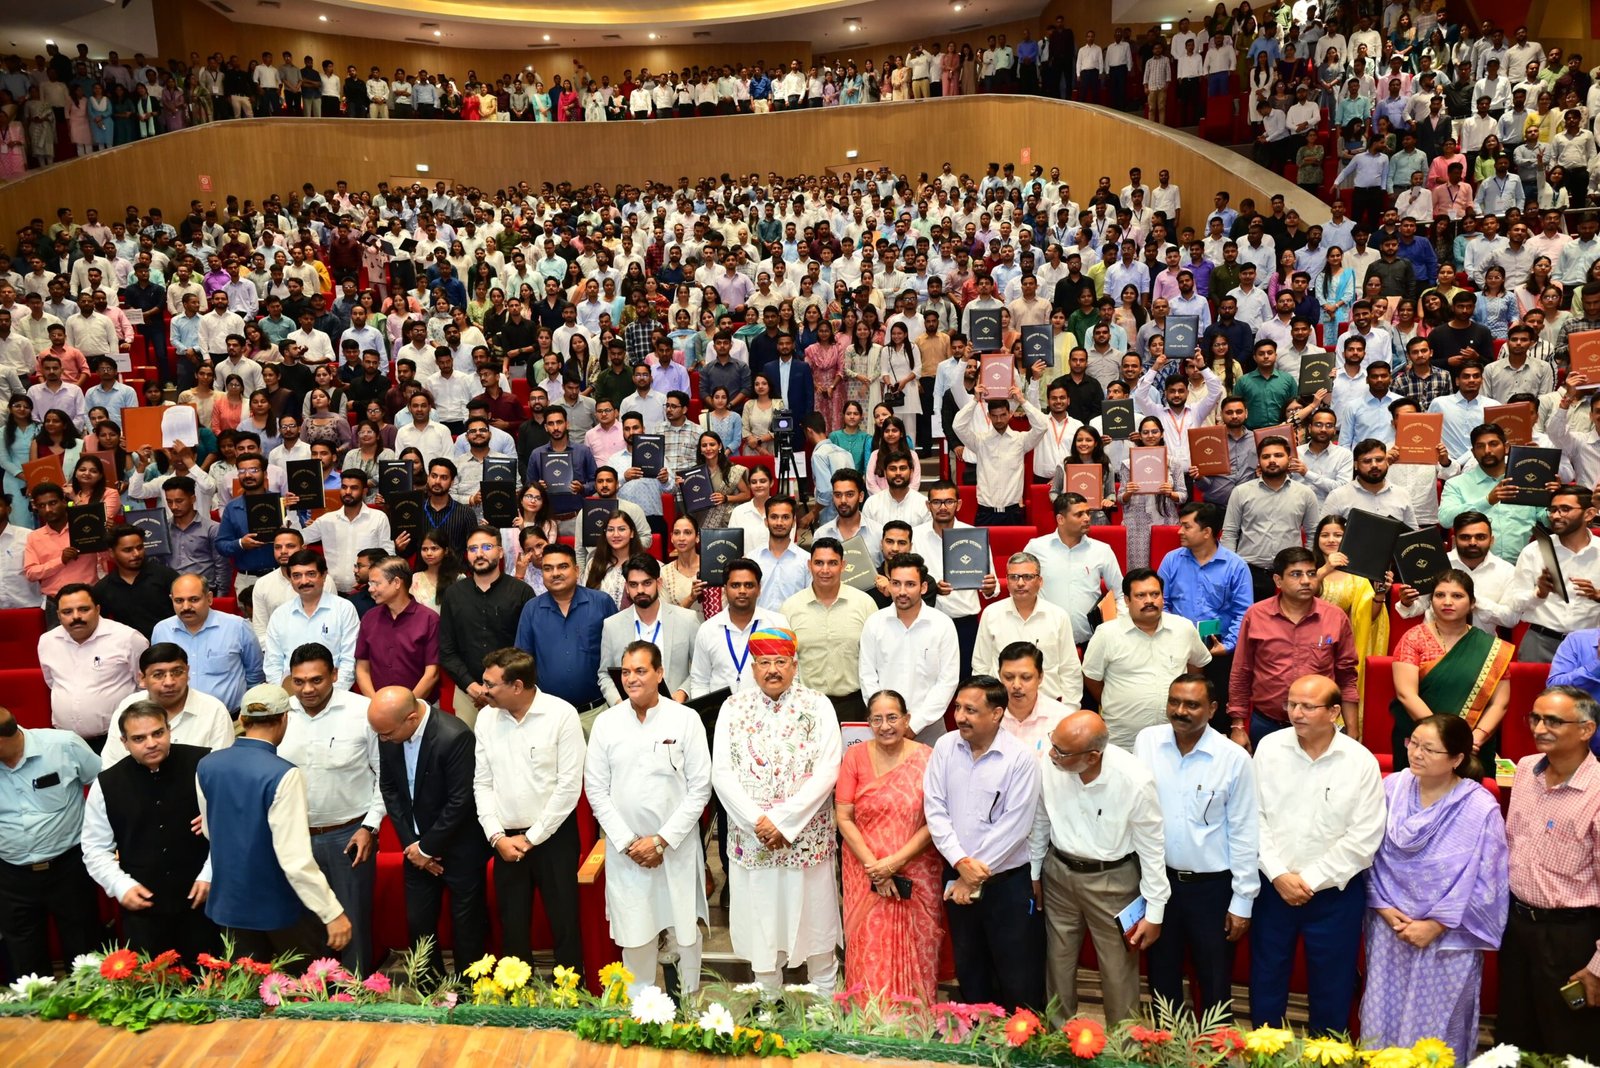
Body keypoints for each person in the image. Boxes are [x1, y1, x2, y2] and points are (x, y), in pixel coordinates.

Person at [1360, 714, 1509, 1063]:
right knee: (1383, 1018)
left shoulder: (1478, 807)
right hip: (1391, 928)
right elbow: (1367, 853)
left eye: (1429, 748)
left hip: (1449, 937)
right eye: (1413, 743)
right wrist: (1382, 906)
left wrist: (1436, 924)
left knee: (1437, 1033)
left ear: (1457, 758)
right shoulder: (1391, 788)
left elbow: (1488, 880)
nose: (1416, 753)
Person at [711, 627, 843, 994]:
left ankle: (825, 999)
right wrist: (759, 823)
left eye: (781, 662)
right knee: (762, 924)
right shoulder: (733, 708)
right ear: (753, 668)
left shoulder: (818, 705)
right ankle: (768, 1000)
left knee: (815, 921)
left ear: (794, 665)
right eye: (765, 662)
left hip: (806, 840)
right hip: (755, 840)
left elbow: (829, 769)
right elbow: (721, 773)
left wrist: (784, 822)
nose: (773, 670)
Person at [1251, 673, 1385, 1036]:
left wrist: (1309, 880)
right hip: (1273, 888)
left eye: (1308, 706)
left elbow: (1364, 837)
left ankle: (1326, 1055)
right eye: (1291, 704)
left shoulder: (1360, 761)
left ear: (1334, 712)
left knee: (1333, 986)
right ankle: (1265, 1054)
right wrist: (1278, 874)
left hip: (1334, 895)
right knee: (1266, 979)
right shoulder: (1269, 749)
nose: (1296, 713)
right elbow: (1252, 817)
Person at [586, 640, 713, 996]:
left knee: (684, 934)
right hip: (628, 854)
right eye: (626, 672)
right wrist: (631, 844)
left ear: (660, 673)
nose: (631, 679)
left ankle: (687, 1007)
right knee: (635, 936)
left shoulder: (685, 719)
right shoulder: (607, 723)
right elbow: (595, 789)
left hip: (675, 848)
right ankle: (640, 1011)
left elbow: (700, 788)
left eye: (641, 671)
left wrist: (661, 841)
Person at [1030, 708, 1167, 1025]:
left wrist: (1155, 910)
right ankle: (1058, 1040)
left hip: (1113, 880)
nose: (1051, 754)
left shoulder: (1134, 780)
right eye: (1053, 744)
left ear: (1092, 756)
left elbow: (1152, 847)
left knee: (1118, 971)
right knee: (1058, 962)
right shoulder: (1051, 764)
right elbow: (1040, 819)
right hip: (1059, 872)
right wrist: (1035, 871)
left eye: (1061, 751)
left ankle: (1124, 1045)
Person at [196, 684, 353, 960]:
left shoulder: (206, 765)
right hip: (278, 905)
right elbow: (294, 859)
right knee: (300, 984)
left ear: (242, 719)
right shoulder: (284, 774)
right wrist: (331, 912)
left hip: (230, 901)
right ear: (284, 719)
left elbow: (210, 831)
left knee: (244, 984)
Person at [1134, 674, 1258, 1021]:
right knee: (1161, 978)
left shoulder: (1233, 759)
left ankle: (1214, 1048)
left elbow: (1245, 832)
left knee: (1214, 981)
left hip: (1212, 890)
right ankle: (1165, 1045)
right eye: (1174, 702)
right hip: (1159, 884)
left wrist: (1243, 901)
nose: (1180, 711)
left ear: (1212, 709)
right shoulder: (1147, 742)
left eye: (1192, 704)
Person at [925, 674, 1044, 1011]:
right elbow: (935, 808)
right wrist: (960, 863)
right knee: (970, 968)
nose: (961, 717)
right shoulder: (945, 747)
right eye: (958, 708)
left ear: (996, 714)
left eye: (971, 710)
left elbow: (1016, 825)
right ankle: (976, 1034)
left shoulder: (1020, 758)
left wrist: (971, 875)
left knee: (1017, 973)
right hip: (957, 877)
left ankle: (1022, 1037)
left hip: (1006, 884)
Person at [1500, 686, 1600, 1057]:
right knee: (1513, 1041)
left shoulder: (1597, 790)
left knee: (1569, 1046)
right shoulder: (1526, 769)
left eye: (1554, 721)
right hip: (1517, 927)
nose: (1540, 728)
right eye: (1535, 718)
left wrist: (1598, 967)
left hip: (1571, 938)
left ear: (1586, 729)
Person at [472, 647, 585, 970]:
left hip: (554, 838)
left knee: (565, 924)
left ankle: (570, 994)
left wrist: (532, 837)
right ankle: (516, 996)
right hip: (506, 841)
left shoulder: (561, 715)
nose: (483, 690)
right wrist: (496, 836)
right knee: (512, 930)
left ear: (517, 686)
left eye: (490, 684)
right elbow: (482, 783)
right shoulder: (486, 719)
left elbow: (569, 787)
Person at [82, 700, 219, 962]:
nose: (151, 743)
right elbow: (94, 848)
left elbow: (229, 830)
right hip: (144, 912)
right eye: (139, 738)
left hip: (205, 902)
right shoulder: (107, 783)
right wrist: (120, 885)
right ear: (124, 742)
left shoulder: (205, 765)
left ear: (169, 730)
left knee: (212, 980)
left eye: (158, 733)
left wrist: (210, 873)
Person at [369, 683, 489, 977]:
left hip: (459, 848)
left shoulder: (454, 735)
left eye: (387, 733)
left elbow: (460, 801)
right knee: (419, 924)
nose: (383, 739)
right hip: (415, 849)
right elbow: (389, 789)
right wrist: (413, 847)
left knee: (467, 927)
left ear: (411, 719)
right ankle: (429, 990)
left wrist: (428, 848)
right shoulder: (388, 730)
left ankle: (469, 992)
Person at [277, 643, 381, 976]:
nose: (307, 689)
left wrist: (370, 827)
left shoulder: (362, 711)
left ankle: (357, 995)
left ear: (335, 675)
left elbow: (386, 777)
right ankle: (308, 994)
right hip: (293, 838)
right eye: (299, 681)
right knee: (302, 925)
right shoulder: (279, 714)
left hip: (349, 836)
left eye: (316, 680)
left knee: (352, 922)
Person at [835, 689, 943, 1005]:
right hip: (863, 871)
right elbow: (844, 816)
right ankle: (869, 1020)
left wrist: (893, 863)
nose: (885, 726)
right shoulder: (855, 757)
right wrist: (876, 868)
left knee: (916, 946)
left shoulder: (928, 758)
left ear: (907, 720)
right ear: (868, 723)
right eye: (877, 719)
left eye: (892, 717)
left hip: (916, 870)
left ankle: (916, 1021)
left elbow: (936, 820)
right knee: (868, 944)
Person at [0, 703, 103, 977]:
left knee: (84, 953)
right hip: (10, 874)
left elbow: (106, 787)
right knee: (25, 961)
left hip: (68, 867)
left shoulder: (63, 746)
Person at [1230, 548, 1361, 752]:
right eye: (1296, 574)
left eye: (1311, 573)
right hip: (1267, 723)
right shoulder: (1256, 615)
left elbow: (1347, 677)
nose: (1306, 581)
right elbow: (1242, 672)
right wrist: (1237, 726)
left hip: (1318, 726)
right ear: (1278, 580)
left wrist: (1352, 730)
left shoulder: (1335, 618)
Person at [1391, 569, 1515, 769]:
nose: (1447, 602)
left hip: (1472, 745)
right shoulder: (1414, 638)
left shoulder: (1491, 647)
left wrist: (1475, 738)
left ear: (1472, 603)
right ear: (1431, 601)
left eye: (1457, 596)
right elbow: (1406, 695)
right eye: (1440, 595)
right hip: (1422, 741)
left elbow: (1499, 703)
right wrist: (1440, 737)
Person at [1081, 569, 1211, 749]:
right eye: (1140, 595)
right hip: (1124, 739)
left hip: (1175, 735)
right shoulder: (1107, 634)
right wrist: (1114, 703)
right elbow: (1091, 677)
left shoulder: (1183, 628)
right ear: (1127, 600)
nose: (1149, 600)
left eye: (1155, 594)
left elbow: (1197, 666)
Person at [1158, 502, 1253, 729]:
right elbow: (1162, 602)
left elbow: (1243, 612)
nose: (1179, 531)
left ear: (1207, 532)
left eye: (1186, 526)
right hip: (1176, 645)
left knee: (1215, 712)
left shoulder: (1236, 566)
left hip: (1216, 647)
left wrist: (1228, 645)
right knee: (1176, 708)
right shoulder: (1171, 560)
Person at [438, 525, 534, 729]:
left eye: (487, 547)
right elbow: (447, 650)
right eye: (473, 549)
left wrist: (499, 687)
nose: (479, 554)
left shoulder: (522, 592)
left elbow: (528, 648)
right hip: (467, 694)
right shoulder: (453, 594)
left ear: (500, 552)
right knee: (468, 746)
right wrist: (472, 686)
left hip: (512, 690)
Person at [858, 553, 959, 744]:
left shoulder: (942, 624)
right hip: (884, 728)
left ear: (924, 587)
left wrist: (915, 724)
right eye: (896, 584)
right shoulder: (874, 623)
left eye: (910, 584)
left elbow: (948, 681)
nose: (902, 591)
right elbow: (867, 676)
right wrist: (886, 719)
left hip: (930, 727)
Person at [36, 582, 148, 752]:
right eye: (67, 612)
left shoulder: (128, 638)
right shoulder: (47, 641)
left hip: (115, 739)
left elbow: (145, 687)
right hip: (65, 741)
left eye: (83, 609)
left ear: (97, 609)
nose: (76, 617)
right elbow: (52, 683)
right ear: (58, 615)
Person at [514, 541, 615, 717]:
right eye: (548, 568)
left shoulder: (601, 603)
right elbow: (522, 661)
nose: (555, 573)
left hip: (597, 711)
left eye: (563, 566)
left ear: (576, 570)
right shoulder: (532, 609)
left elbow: (619, 653)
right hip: (549, 715)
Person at [782, 538, 878, 723]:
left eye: (832, 563)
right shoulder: (790, 608)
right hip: (806, 706)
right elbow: (785, 661)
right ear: (809, 565)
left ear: (843, 565)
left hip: (855, 704)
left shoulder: (865, 604)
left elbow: (876, 659)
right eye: (819, 563)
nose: (825, 570)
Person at [972, 551, 1082, 707]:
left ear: (1040, 581)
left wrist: (1070, 710)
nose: (1020, 583)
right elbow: (980, 666)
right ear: (1007, 581)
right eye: (1014, 577)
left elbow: (1070, 669)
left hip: (1048, 705)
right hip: (1002, 706)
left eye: (1028, 577)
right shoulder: (991, 614)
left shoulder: (1058, 616)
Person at [1504, 485, 1600, 663]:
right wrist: (1539, 593)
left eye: (1565, 509)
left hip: (1589, 646)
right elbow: (1514, 603)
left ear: (1589, 514)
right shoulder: (1534, 551)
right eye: (1553, 509)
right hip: (1540, 642)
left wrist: (1598, 596)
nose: (1555, 516)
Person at [99, 643, 234, 767]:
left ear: (188, 672)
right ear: (142, 678)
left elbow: (220, 769)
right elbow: (112, 764)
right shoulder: (129, 706)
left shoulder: (214, 710)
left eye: (177, 672)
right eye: (158, 675)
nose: (169, 682)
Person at [1220, 436, 1322, 600]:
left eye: (1278, 455)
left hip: (1292, 573)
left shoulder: (1305, 493)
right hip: (1250, 573)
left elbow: (1313, 534)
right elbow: (1230, 534)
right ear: (1259, 461)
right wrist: (1231, 569)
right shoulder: (1241, 492)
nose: (1272, 460)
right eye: (1266, 456)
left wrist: (1306, 566)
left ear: (1289, 459)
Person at [152, 575, 265, 714]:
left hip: (231, 717)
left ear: (209, 598)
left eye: (194, 599)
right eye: (179, 601)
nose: (186, 607)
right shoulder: (161, 631)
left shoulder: (238, 627)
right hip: (176, 718)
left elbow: (256, 674)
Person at [1023, 493, 1125, 645]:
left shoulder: (1102, 550)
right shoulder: (1036, 547)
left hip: (1091, 641)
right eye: (1079, 514)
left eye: (1088, 513)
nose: (1087, 518)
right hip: (1046, 640)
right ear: (1060, 519)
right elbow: (1021, 586)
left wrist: (1116, 627)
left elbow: (1120, 594)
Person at [597, 554, 697, 707]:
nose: (640, 590)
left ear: (659, 583)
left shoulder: (687, 619)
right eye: (633, 584)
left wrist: (682, 692)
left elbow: (700, 669)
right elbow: (604, 674)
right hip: (629, 712)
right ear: (627, 587)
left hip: (674, 708)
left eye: (647, 583)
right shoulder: (612, 625)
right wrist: (619, 703)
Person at [265, 549, 361, 691]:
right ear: (290, 579)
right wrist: (283, 695)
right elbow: (273, 663)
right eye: (297, 575)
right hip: (290, 694)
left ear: (324, 575)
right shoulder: (280, 614)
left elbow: (349, 659)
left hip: (335, 692)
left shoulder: (344, 609)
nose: (304, 581)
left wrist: (334, 694)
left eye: (311, 574)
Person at [955, 382, 1049, 525]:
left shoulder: (1021, 440)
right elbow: (958, 426)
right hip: (985, 512)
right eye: (995, 416)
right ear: (989, 416)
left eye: (1003, 415)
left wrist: (1022, 401)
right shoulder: (980, 441)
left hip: (1014, 512)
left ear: (1010, 414)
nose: (999, 420)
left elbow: (1042, 426)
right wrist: (974, 401)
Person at [355, 555, 441, 698]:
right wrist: (376, 702)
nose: (370, 589)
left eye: (376, 583)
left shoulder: (429, 619)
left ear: (396, 582)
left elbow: (432, 673)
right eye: (370, 584)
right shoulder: (369, 618)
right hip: (377, 704)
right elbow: (362, 669)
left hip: (419, 705)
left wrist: (406, 705)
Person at [93, 525, 178, 638]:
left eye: (140, 547)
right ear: (112, 552)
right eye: (128, 550)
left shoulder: (165, 576)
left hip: (169, 643)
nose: (136, 554)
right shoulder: (103, 588)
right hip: (127, 646)